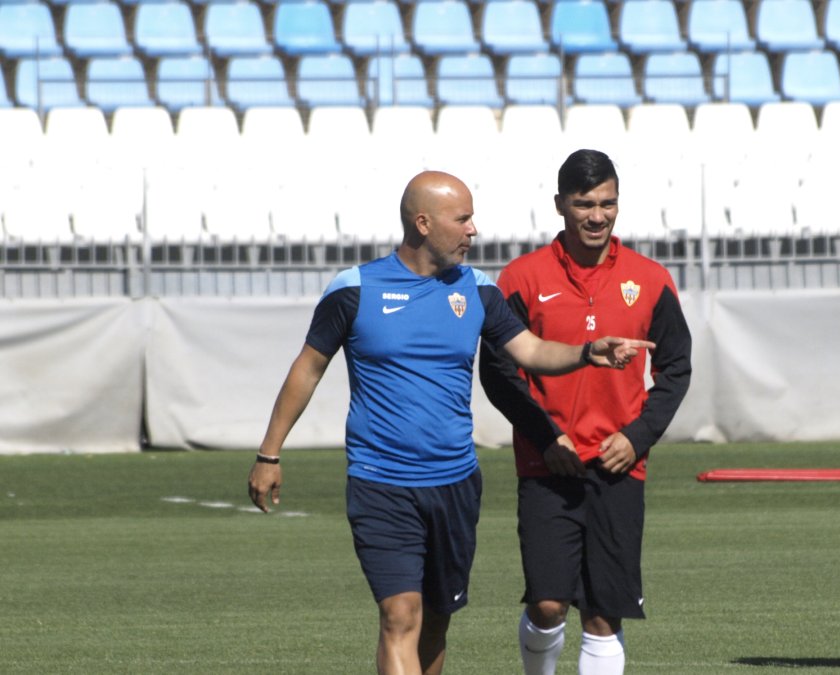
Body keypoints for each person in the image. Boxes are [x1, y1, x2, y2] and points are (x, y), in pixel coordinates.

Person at [247, 170, 653, 675]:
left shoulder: (478, 290)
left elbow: (530, 351)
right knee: (400, 615)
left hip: (455, 483)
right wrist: (269, 453)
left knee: (436, 620)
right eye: (462, 219)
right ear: (423, 223)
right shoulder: (354, 289)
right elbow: (307, 369)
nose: (473, 230)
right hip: (381, 482)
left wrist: (587, 352)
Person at [479, 149, 692, 675]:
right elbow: (498, 372)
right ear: (560, 205)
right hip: (547, 465)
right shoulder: (522, 278)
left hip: (619, 466)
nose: (598, 216)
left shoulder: (650, 278)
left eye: (607, 203)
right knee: (548, 605)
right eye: (584, 204)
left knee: (603, 614)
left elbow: (676, 369)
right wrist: (546, 437)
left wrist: (638, 436)